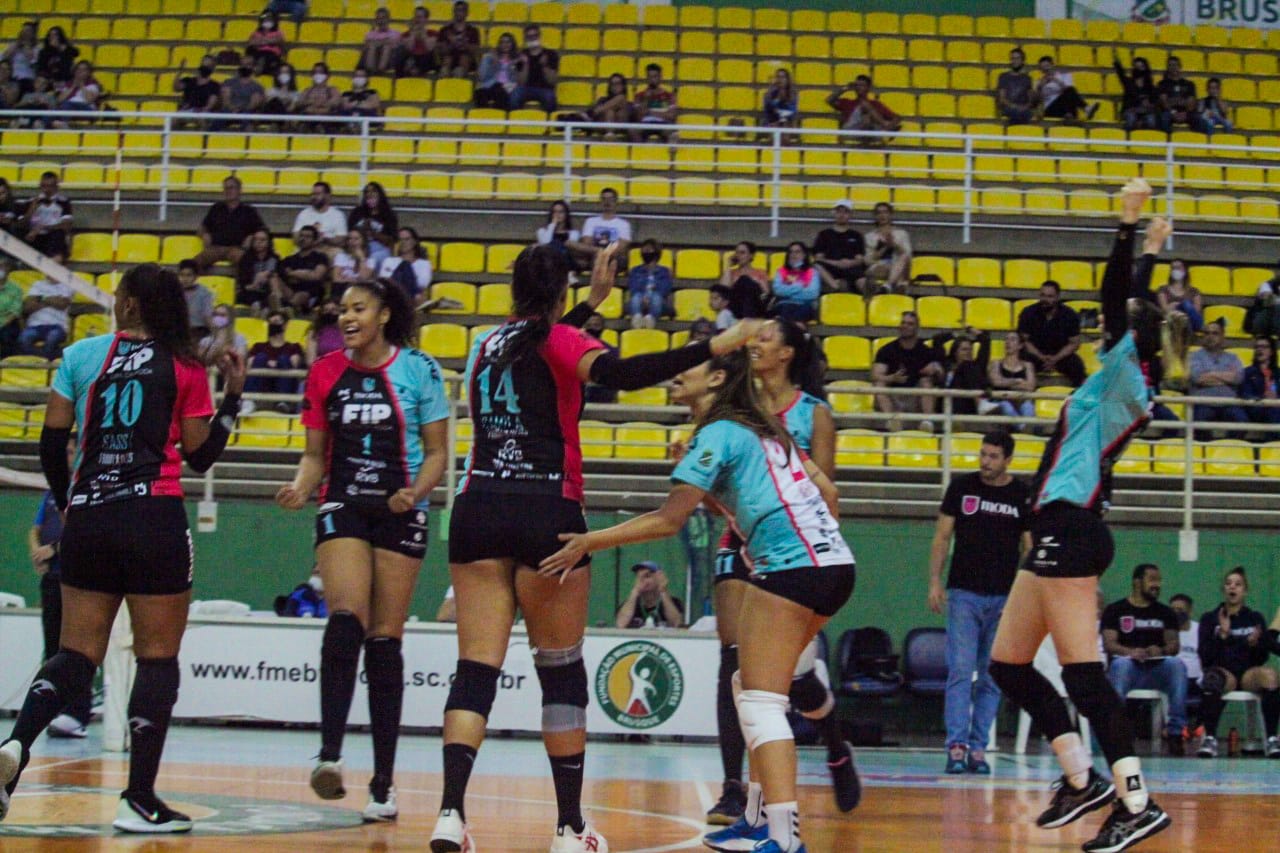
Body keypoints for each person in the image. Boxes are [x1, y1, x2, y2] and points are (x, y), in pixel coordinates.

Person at [428, 243, 758, 853]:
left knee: (475, 671)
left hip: (477, 508)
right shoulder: (561, 341)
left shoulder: (484, 344)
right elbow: (621, 373)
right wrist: (718, 344)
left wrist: (590, 304)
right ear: (559, 294)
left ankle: (449, 814)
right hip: (544, 508)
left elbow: (543, 342)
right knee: (561, 675)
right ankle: (569, 827)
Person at [541, 345, 854, 853]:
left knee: (761, 703)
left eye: (687, 367)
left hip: (795, 567)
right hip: (833, 563)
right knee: (747, 684)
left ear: (715, 380)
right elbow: (828, 496)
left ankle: (784, 838)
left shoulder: (719, 433)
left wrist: (588, 540)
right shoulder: (762, 428)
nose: (673, 374)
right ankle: (756, 820)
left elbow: (668, 520)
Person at [0, 263, 245, 832]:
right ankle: (139, 799)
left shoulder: (83, 356)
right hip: (152, 514)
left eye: (118, 296)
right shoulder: (184, 365)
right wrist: (233, 396)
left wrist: (69, 503)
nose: (114, 303)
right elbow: (200, 455)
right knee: (157, 658)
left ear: (132, 304)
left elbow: (50, 442)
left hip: (89, 518)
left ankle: (15, 746)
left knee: (74, 654)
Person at [987, 180, 1176, 852]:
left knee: (1083, 674)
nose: (1101, 329)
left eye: (1115, 328)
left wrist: (1132, 231)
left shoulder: (1129, 375)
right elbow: (1124, 309)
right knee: (1007, 665)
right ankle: (1081, 778)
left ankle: (1137, 799)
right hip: (1055, 528)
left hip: (1074, 529)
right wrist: (1147, 247)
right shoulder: (1111, 376)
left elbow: (1117, 302)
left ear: (1135, 341)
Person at [276, 278, 448, 821]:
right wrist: (302, 486)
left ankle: (384, 783)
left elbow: (440, 453)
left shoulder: (419, 368)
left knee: (384, 642)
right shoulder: (325, 371)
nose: (347, 317)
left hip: (401, 507)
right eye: (342, 310)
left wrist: (415, 493)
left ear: (383, 316)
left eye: (358, 308)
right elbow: (313, 455)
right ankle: (329, 755)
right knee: (345, 617)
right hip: (343, 502)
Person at [701, 317, 855, 830]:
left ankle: (832, 736)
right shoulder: (736, 408)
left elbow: (826, 496)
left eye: (765, 337)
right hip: (737, 539)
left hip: (794, 547)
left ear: (788, 353)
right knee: (736, 665)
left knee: (790, 677)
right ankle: (734, 788)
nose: (753, 342)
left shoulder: (814, 414)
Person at [928, 430, 1030, 774]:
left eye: (993, 457)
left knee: (991, 675)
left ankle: (978, 747)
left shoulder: (1021, 494)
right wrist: (934, 582)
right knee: (960, 670)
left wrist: (1025, 595)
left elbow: (1028, 548)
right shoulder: (961, 488)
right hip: (964, 594)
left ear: (1008, 460)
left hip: (1004, 598)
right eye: (983, 455)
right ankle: (955, 745)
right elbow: (942, 537)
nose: (985, 462)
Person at [30, 448, 94, 739]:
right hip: (52, 579)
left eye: (70, 451)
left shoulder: (85, 488)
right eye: (64, 452)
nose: (66, 457)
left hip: (76, 580)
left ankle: (78, 712)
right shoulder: (52, 492)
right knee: (52, 648)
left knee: (75, 650)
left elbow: (80, 530)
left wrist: (53, 549)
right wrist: (36, 551)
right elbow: (36, 528)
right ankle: (54, 709)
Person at [1101, 564, 1187, 755]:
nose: (1157, 585)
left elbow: (1174, 645)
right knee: (1119, 665)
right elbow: (1109, 644)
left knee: (1178, 665)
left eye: (1159, 580)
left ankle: (1175, 733)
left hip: (1157, 669)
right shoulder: (1116, 610)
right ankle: (1116, 732)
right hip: (1129, 667)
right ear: (1137, 582)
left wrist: (1161, 649)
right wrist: (1130, 652)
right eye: (1152, 580)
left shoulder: (1165, 613)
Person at [1195, 566, 1279, 758]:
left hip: (1248, 673)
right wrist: (1222, 637)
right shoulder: (1210, 619)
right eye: (1228, 584)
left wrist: (1255, 645)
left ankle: (1272, 738)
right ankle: (1210, 738)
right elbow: (1205, 656)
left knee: (1270, 676)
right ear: (1223, 589)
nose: (1232, 588)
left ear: (1245, 590)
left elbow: (1262, 656)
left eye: (1238, 584)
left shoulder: (1254, 618)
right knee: (1213, 678)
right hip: (1225, 672)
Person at [871, 311, 943, 428]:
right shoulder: (886, 350)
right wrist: (892, 378)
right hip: (893, 397)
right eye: (903, 323)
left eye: (910, 324)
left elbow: (940, 376)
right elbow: (875, 376)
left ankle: (927, 421)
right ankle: (892, 421)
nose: (905, 326)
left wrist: (935, 370)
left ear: (917, 327)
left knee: (926, 381)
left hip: (915, 398)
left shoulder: (926, 351)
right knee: (879, 384)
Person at [1017, 280, 1086, 387]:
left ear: (1057, 297)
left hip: (1060, 356)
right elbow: (1024, 341)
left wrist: (1055, 359)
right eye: (1043, 295)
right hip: (1035, 354)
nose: (1045, 299)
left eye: (1050, 296)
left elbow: (1074, 343)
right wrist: (1041, 357)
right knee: (1021, 362)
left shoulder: (1070, 315)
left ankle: (1079, 398)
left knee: (1076, 365)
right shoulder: (1028, 313)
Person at [1188, 318, 1247, 439]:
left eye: (1215, 333)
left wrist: (1210, 374)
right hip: (1203, 403)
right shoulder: (1194, 356)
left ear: (1222, 337)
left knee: (1243, 422)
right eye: (1207, 333)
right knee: (1199, 423)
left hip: (1229, 403)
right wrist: (1225, 378)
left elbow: (1238, 378)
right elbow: (1197, 378)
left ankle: (1228, 449)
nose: (1210, 336)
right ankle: (1205, 454)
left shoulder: (1233, 358)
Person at [195, 176, 266, 274]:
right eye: (225, 188)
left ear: (239, 190)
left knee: (245, 263)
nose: (228, 191)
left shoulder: (249, 211)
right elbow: (202, 227)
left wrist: (252, 237)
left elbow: (262, 230)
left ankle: (242, 288)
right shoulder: (216, 208)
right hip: (215, 248)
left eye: (231, 188)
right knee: (192, 264)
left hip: (236, 249)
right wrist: (204, 234)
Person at [246, 309, 305, 413]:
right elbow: (250, 364)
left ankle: (283, 402)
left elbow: (295, 363)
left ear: (285, 325)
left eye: (277, 322)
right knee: (260, 357)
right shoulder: (258, 346)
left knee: (284, 359)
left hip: (284, 382)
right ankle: (249, 401)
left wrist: (276, 363)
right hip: (262, 383)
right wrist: (268, 362)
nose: (274, 325)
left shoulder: (294, 347)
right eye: (271, 322)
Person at [19, 257, 72, 358]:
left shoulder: (67, 286)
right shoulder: (37, 285)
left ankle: (43, 361)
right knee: (23, 339)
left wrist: (40, 299)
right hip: (35, 326)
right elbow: (28, 306)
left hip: (57, 326)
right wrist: (50, 300)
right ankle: (43, 358)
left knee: (52, 338)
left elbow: (62, 304)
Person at [812, 201, 866, 295]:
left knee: (862, 277)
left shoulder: (856, 235)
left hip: (850, 268)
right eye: (839, 211)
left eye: (845, 212)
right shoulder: (824, 234)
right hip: (830, 268)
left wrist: (849, 263)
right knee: (817, 265)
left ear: (850, 215)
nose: (842, 215)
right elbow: (818, 258)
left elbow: (860, 259)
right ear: (834, 213)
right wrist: (836, 263)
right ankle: (836, 287)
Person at [827, 74, 901, 139]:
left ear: (868, 88)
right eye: (857, 85)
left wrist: (891, 124)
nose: (859, 87)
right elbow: (829, 100)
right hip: (852, 131)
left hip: (870, 133)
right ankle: (886, 126)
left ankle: (885, 126)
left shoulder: (876, 104)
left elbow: (897, 118)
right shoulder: (848, 103)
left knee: (867, 118)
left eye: (862, 85)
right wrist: (845, 88)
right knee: (864, 105)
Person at [988, 332, 1037, 429]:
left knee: (1028, 406)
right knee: (1006, 406)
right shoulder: (996, 363)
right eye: (1006, 339)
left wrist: (1006, 383)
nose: (1008, 342)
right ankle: (1023, 429)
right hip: (1001, 400)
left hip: (1020, 401)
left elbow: (1030, 386)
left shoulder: (1027, 365)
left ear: (1020, 345)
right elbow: (996, 382)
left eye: (1012, 339)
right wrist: (1017, 381)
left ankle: (1025, 430)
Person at [936, 328, 990, 416]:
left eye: (970, 349)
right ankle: (981, 404)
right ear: (955, 352)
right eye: (964, 349)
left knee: (967, 365)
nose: (968, 352)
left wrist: (971, 330)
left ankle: (981, 404)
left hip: (968, 407)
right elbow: (937, 340)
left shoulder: (977, 365)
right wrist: (956, 333)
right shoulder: (946, 365)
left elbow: (985, 340)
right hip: (947, 404)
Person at [278, 226, 332, 314]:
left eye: (307, 237)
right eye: (301, 236)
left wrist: (292, 273)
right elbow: (281, 273)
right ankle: (287, 307)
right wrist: (305, 274)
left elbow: (317, 276)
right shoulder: (290, 259)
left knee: (303, 293)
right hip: (290, 291)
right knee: (274, 278)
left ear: (314, 241)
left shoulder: (320, 257)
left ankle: (285, 309)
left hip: (311, 294)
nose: (303, 239)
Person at [863, 202, 913, 294]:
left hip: (898, 265)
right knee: (900, 278)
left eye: (885, 212)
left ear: (890, 214)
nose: (882, 215)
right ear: (875, 216)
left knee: (903, 258)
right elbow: (867, 260)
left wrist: (894, 244)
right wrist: (885, 247)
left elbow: (908, 255)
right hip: (879, 267)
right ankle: (897, 285)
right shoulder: (869, 236)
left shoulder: (901, 234)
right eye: (879, 213)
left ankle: (888, 285)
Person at [615, 562, 684, 628]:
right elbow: (621, 624)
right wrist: (635, 592)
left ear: (659, 578)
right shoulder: (630, 604)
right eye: (638, 577)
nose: (641, 580)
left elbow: (676, 624)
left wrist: (663, 591)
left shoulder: (674, 602)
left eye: (647, 576)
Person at [377, 226, 433, 307]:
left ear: (414, 242)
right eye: (400, 240)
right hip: (393, 294)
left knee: (405, 266)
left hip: (410, 296)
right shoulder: (389, 261)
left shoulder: (423, 264)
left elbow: (422, 284)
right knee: (404, 266)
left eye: (407, 239)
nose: (403, 243)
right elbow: (385, 281)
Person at [347, 182, 398, 269]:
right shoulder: (357, 212)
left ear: (380, 194)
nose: (369, 194)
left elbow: (390, 240)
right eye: (367, 192)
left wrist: (372, 233)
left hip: (379, 248)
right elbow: (349, 233)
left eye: (373, 191)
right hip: (357, 245)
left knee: (374, 259)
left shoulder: (388, 214)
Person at [24, 171, 73, 259]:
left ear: (56, 187)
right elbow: (22, 223)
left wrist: (44, 227)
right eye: (44, 186)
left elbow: (66, 225)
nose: (47, 190)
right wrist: (32, 208)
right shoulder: (32, 201)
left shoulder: (63, 202)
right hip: (35, 237)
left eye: (50, 186)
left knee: (58, 234)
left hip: (53, 237)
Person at [625, 239, 673, 328]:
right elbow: (633, 287)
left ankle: (651, 319)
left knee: (656, 297)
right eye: (644, 249)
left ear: (656, 252)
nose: (646, 252)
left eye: (649, 249)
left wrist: (649, 297)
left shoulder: (664, 271)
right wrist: (644, 297)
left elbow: (665, 289)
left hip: (659, 301)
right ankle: (637, 318)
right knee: (636, 296)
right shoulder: (635, 270)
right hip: (640, 299)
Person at [1036, 55, 1098, 122]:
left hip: (1066, 106)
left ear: (1052, 65)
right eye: (1043, 68)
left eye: (1047, 66)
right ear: (1041, 70)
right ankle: (1086, 109)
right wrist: (1040, 87)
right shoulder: (1039, 82)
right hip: (1051, 109)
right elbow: (1038, 100)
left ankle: (1075, 113)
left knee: (1070, 90)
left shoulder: (1064, 76)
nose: (1046, 69)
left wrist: (1057, 81)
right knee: (1069, 94)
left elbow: (1069, 92)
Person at [771, 242, 821, 323]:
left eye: (797, 252)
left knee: (800, 312)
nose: (793, 255)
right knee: (786, 309)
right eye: (791, 252)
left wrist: (788, 293)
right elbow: (778, 291)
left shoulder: (812, 272)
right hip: (784, 305)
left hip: (805, 306)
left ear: (804, 255)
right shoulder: (781, 271)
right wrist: (800, 286)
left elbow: (813, 293)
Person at [536, 200, 593, 271]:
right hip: (549, 263)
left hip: (566, 262)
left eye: (561, 212)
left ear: (566, 214)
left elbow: (571, 250)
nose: (557, 215)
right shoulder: (542, 231)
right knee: (553, 245)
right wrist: (552, 225)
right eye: (555, 212)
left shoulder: (574, 233)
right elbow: (545, 242)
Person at [580, 188, 632, 263]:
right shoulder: (590, 221)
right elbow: (586, 243)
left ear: (616, 202)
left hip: (614, 257)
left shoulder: (624, 224)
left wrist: (604, 253)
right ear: (600, 202)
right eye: (604, 199)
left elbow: (622, 247)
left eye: (610, 199)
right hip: (595, 256)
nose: (607, 202)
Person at [720, 240, 770, 320]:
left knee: (745, 280)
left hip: (755, 307)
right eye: (737, 253)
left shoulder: (760, 272)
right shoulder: (731, 273)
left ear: (751, 255)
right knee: (743, 280)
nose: (738, 256)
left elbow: (765, 295)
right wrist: (728, 266)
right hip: (736, 308)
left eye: (742, 253)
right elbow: (722, 290)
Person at [1113, 51, 1161, 132]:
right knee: (1131, 119)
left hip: (1146, 111)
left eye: (1141, 66)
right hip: (1131, 110)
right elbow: (1120, 74)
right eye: (1137, 66)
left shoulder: (1150, 85)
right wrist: (1117, 62)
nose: (1139, 69)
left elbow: (1154, 102)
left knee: (1151, 120)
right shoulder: (1128, 82)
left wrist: (1149, 105)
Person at [514, 24, 558, 112]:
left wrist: (544, 66)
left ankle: (548, 124)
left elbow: (552, 81)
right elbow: (521, 82)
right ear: (525, 38)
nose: (532, 38)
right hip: (526, 88)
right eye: (529, 36)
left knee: (550, 97)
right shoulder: (521, 55)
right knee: (515, 96)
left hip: (545, 89)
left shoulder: (550, 54)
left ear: (539, 36)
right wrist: (525, 64)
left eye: (535, 36)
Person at [236, 228, 281, 313]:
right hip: (250, 292)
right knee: (253, 299)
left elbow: (279, 278)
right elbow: (244, 286)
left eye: (262, 240)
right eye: (255, 239)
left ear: (269, 242)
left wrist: (267, 275)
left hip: (268, 292)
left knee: (270, 298)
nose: (258, 242)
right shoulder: (246, 259)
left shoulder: (275, 258)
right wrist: (255, 284)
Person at [1157, 56, 1206, 134]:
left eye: (1175, 65)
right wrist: (1173, 112)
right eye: (1170, 65)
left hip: (1186, 112)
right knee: (1163, 118)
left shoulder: (1189, 84)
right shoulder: (1163, 84)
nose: (1173, 67)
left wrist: (1185, 113)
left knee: (1198, 118)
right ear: (1167, 67)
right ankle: (1168, 143)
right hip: (1170, 112)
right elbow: (1164, 102)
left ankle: (1196, 142)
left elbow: (1191, 102)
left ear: (1180, 66)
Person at [294, 182, 348, 249]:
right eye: (313, 194)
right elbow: (296, 237)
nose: (314, 197)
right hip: (307, 250)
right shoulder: (303, 214)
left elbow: (341, 239)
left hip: (328, 250)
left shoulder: (338, 215)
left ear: (327, 196)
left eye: (318, 194)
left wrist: (325, 239)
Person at [1241, 335, 1280, 428]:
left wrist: (1276, 397)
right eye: (1257, 347)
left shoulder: (1278, 373)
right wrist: (1263, 398)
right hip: (1257, 409)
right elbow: (1245, 393)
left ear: (1271, 351)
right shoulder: (1248, 372)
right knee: (1273, 411)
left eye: (1263, 347)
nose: (1259, 350)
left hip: (1276, 407)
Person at [474, 32, 519, 110]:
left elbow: (517, 79)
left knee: (500, 91)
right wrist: (493, 62)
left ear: (512, 44)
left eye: (508, 42)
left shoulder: (517, 59)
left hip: (507, 88)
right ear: (499, 44)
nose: (505, 44)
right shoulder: (489, 57)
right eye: (502, 42)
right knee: (479, 93)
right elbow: (482, 76)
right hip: (489, 85)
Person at [632, 62, 677, 141]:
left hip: (663, 124)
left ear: (660, 77)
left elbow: (671, 116)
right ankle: (639, 152)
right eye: (649, 77)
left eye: (655, 76)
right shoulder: (639, 95)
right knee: (633, 131)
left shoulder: (669, 96)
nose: (652, 80)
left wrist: (649, 112)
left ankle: (671, 153)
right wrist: (646, 99)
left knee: (672, 133)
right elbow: (638, 117)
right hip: (645, 124)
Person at [437, 0, 481, 78]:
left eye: (462, 10)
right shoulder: (444, 30)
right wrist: (452, 44)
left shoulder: (473, 31)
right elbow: (441, 51)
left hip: (466, 62)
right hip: (448, 61)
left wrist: (465, 44)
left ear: (467, 13)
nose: (459, 13)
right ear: (453, 12)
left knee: (462, 63)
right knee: (445, 65)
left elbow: (476, 51)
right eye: (457, 10)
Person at [1155, 259, 1203, 332]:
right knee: (1185, 305)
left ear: (1185, 270)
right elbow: (1165, 310)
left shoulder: (1194, 291)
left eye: (1178, 268)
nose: (1175, 270)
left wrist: (1176, 305)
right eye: (1173, 268)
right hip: (1171, 322)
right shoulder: (1163, 290)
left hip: (1190, 323)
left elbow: (1196, 311)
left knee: (1186, 304)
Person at [219, 55, 266, 129]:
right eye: (242, 64)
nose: (244, 67)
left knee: (248, 118)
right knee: (220, 117)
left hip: (247, 112)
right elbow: (225, 100)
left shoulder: (257, 87)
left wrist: (240, 110)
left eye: (248, 64)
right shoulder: (229, 82)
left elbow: (254, 104)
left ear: (253, 67)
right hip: (229, 110)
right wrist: (232, 108)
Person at [581, 312, 617, 404]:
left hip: (601, 396)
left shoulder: (611, 351)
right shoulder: (572, 348)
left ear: (602, 328)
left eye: (596, 325)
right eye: (589, 325)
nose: (592, 328)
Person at [198, 303, 249, 368]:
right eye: (215, 314)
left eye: (222, 315)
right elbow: (199, 360)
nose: (218, 317)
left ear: (230, 318)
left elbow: (241, 359)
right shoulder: (206, 340)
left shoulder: (239, 338)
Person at [296, 63, 343, 130]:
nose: (318, 75)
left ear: (327, 75)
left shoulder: (333, 90)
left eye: (321, 72)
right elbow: (299, 102)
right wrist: (310, 102)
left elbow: (336, 102)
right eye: (315, 72)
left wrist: (321, 103)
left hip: (327, 120)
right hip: (309, 119)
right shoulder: (307, 91)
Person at [173, 56, 220, 122]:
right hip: (188, 110)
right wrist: (180, 71)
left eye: (208, 65)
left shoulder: (214, 85)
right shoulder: (189, 81)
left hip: (202, 112)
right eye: (204, 65)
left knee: (202, 119)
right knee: (174, 119)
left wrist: (202, 109)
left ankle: (204, 132)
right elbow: (176, 87)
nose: (205, 68)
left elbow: (210, 104)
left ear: (213, 68)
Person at [997, 47, 1036, 125]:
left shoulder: (1027, 78)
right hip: (1009, 107)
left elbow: (1030, 99)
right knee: (1016, 113)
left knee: (1026, 113)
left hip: (1023, 109)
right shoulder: (1003, 76)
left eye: (1018, 58)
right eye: (1013, 58)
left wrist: (1025, 107)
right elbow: (1002, 98)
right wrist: (1014, 106)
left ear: (1022, 60)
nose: (1015, 61)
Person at [178, 259, 214, 340]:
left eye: (188, 275)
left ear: (196, 276)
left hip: (198, 331)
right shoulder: (174, 292)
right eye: (182, 275)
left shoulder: (205, 293)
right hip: (178, 331)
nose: (185, 279)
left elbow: (207, 316)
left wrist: (215, 334)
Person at [398, 6, 439, 77]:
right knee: (403, 55)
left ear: (426, 19)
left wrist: (422, 33)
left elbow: (429, 48)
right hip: (411, 59)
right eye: (416, 17)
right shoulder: (406, 34)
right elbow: (409, 48)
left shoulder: (433, 33)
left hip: (427, 60)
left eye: (420, 17)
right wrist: (413, 32)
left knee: (428, 56)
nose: (417, 20)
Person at [359, 7, 400, 75]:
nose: (381, 21)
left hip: (389, 62)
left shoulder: (395, 34)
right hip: (373, 59)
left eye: (383, 18)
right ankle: (371, 70)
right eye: (379, 18)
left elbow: (395, 48)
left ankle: (380, 71)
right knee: (372, 47)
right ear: (376, 20)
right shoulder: (369, 34)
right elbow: (366, 47)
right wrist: (384, 42)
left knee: (386, 47)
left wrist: (378, 43)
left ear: (388, 19)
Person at [246, 11, 287, 77]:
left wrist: (261, 41)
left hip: (272, 54)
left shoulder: (278, 32)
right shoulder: (256, 32)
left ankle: (260, 68)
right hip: (258, 52)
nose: (267, 22)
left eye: (270, 20)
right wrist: (270, 41)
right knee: (254, 53)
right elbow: (251, 43)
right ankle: (259, 67)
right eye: (265, 20)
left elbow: (280, 41)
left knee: (268, 57)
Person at [2, 22, 39, 92]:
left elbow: (34, 63)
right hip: (12, 78)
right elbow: (4, 58)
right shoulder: (13, 46)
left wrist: (26, 47)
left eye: (28, 31)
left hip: (27, 79)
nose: (25, 33)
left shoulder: (36, 49)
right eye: (23, 30)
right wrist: (16, 46)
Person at [0, 257, 25, 358]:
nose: (1, 269)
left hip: (8, 322)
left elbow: (15, 312)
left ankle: (6, 364)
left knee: (6, 336)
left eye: (3, 266)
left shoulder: (16, 289)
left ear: (8, 269)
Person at [761, 68, 799, 133]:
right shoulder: (769, 93)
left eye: (783, 77)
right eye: (778, 77)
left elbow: (793, 111)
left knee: (785, 123)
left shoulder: (793, 94)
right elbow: (767, 110)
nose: (780, 80)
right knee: (773, 122)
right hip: (772, 121)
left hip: (787, 122)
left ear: (787, 79)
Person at [308, 297, 345, 363]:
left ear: (340, 311)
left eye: (334, 310)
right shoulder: (315, 332)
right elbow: (311, 360)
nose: (329, 313)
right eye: (326, 310)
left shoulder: (347, 331)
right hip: (322, 368)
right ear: (322, 312)